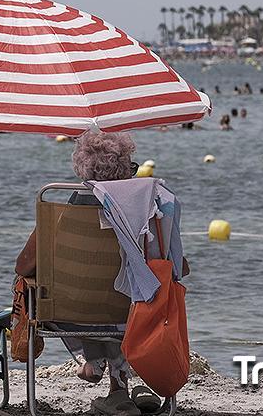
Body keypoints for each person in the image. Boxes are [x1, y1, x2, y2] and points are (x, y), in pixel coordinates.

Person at [15, 132, 182, 413]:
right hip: (131, 319)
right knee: (131, 293)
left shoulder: (57, 212)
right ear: (127, 170)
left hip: (70, 316)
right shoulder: (146, 216)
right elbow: (178, 268)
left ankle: (90, 362)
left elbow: (23, 267)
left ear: (81, 169)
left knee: (46, 285)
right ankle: (122, 385)